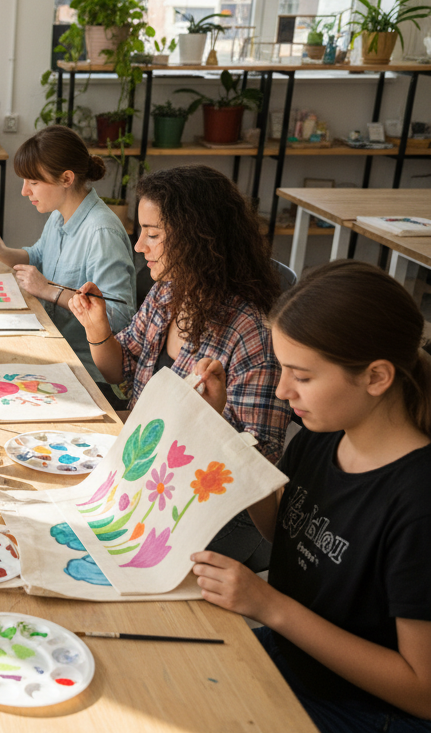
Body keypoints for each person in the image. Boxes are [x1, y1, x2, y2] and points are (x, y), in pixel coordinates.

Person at [192, 261, 431, 732]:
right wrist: (221, 434)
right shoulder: (327, 434)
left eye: (301, 376)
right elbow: (286, 529)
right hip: (293, 659)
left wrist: (268, 605)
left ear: (377, 377)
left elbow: (422, 691)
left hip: (365, 709)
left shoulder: (418, 503)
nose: (282, 391)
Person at [69, 165, 291, 564]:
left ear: (198, 239)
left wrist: (211, 421)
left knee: (94, 549)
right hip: (145, 477)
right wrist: (97, 328)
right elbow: (120, 371)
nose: (139, 247)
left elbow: (260, 469)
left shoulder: (251, 333)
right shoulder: (168, 293)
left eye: (153, 235)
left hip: (212, 510)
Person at [0, 125, 135, 392]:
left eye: (34, 183)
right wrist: (0, 251)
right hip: (53, 351)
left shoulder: (101, 232)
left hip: (88, 373)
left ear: (67, 178)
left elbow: (119, 318)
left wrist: (48, 290)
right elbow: (38, 257)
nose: (25, 191)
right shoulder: (60, 214)